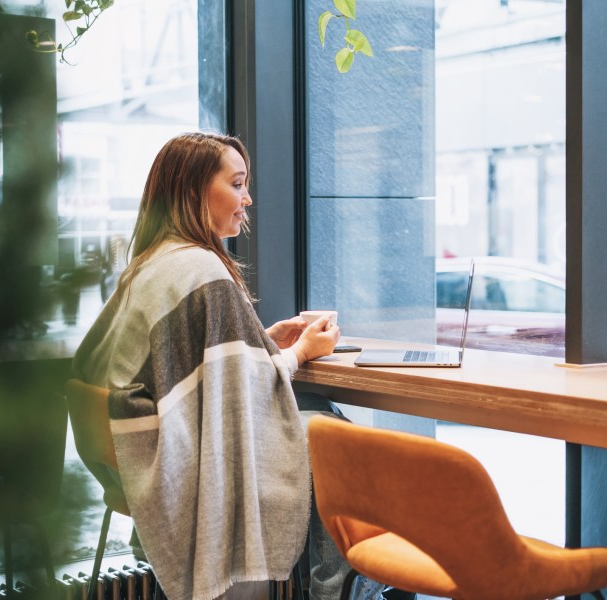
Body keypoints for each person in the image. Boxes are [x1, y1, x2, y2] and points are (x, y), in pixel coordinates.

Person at [72, 132, 384, 600]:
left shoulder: (153, 263)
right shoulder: (202, 269)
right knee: (341, 442)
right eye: (237, 184)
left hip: (134, 452)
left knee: (319, 415)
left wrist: (262, 342)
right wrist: (301, 353)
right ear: (196, 192)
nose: (248, 198)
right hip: (179, 457)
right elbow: (233, 395)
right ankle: (341, 591)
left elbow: (204, 374)